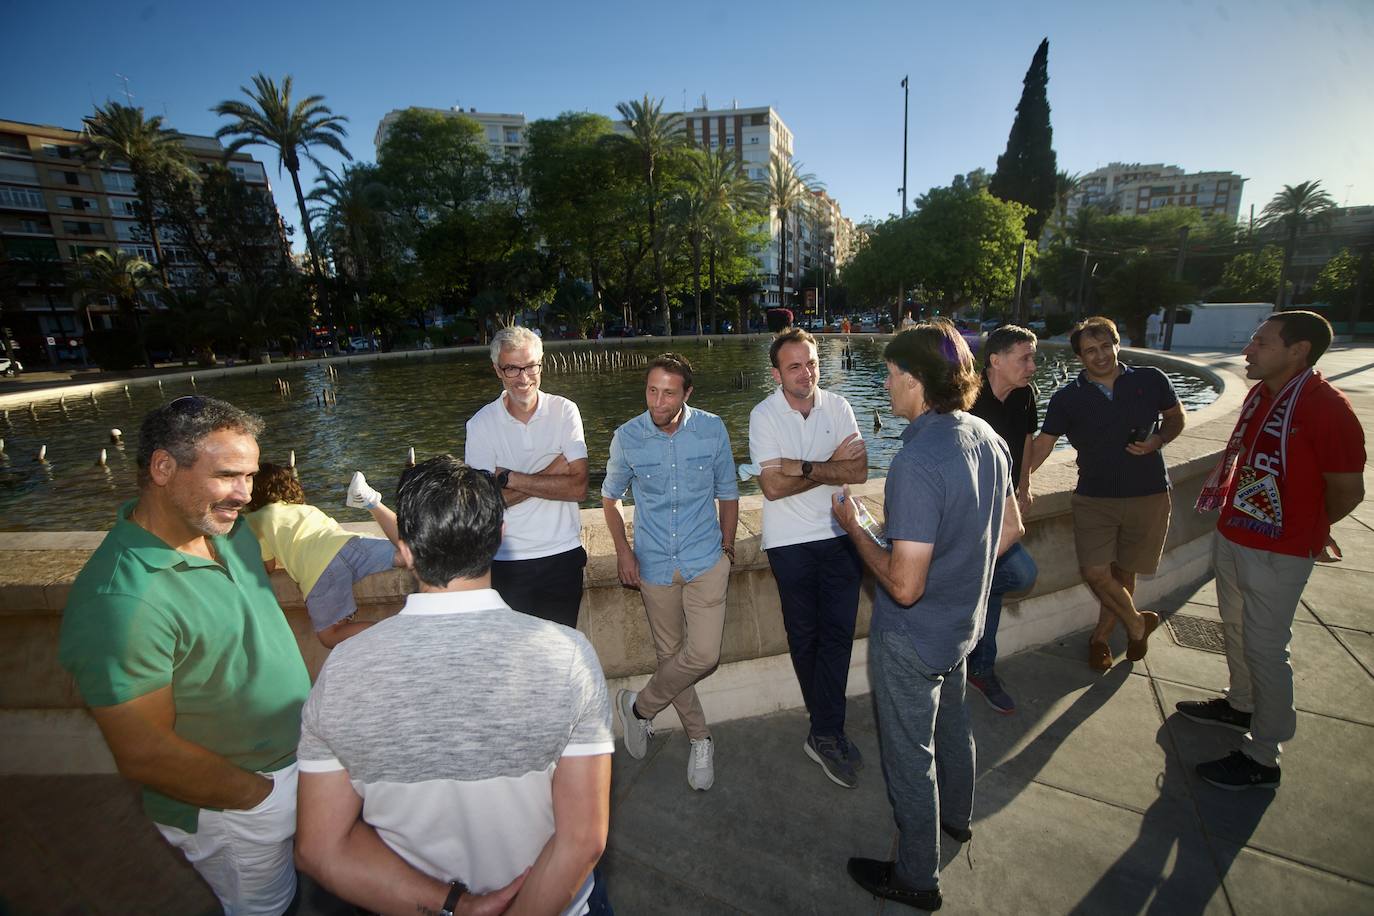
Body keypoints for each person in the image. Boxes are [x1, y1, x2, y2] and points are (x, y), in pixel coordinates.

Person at [294, 456, 613, 915]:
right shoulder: (567, 656)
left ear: (403, 548)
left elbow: (320, 848)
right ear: (499, 537)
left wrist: (451, 905)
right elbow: (582, 841)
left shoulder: (344, 668)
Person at [58, 396, 311, 916]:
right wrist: (257, 798)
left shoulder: (227, 535)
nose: (246, 494)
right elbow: (145, 752)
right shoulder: (121, 599)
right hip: (234, 807)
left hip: (288, 773)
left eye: (250, 475)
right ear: (163, 467)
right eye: (228, 476)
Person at [834, 320, 1023, 912]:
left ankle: (918, 877)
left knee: (911, 759)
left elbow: (904, 585)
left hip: (912, 638)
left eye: (891, 374)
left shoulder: (916, 461)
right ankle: (959, 821)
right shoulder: (987, 435)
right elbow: (1011, 528)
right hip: (962, 627)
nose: (885, 383)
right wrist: (955, 563)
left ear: (916, 381)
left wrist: (857, 531)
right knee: (954, 726)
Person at [1181, 311, 1365, 790]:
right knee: (1236, 627)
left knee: (1266, 645)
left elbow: (1347, 490)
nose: (1248, 350)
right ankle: (1239, 704)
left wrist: (1307, 530)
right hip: (1237, 532)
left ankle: (1263, 754)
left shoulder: (1327, 409)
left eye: (1261, 343)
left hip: (1279, 549)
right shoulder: (1263, 395)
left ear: (1297, 350)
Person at [602, 352, 739, 791]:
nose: (657, 401)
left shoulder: (712, 428)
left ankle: (639, 707)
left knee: (703, 656)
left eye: (668, 393)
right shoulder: (627, 436)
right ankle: (700, 738)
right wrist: (623, 551)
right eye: (651, 390)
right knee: (670, 657)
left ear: (687, 394)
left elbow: (729, 493)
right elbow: (610, 499)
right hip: (654, 562)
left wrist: (728, 552)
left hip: (704, 560)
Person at [1027, 316, 1184, 670]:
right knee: (1096, 572)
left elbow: (1176, 417)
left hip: (1149, 494)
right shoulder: (1067, 399)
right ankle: (1137, 623)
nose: (1099, 356)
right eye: (1089, 351)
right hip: (1095, 498)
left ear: (1117, 343)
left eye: (1104, 346)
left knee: (1125, 573)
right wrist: (1016, 485)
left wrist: (1159, 439)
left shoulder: (1151, 379)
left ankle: (1100, 638)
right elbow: (1043, 446)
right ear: (1079, 358)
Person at [749, 327, 869, 787]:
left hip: (839, 534)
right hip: (789, 543)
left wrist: (799, 465)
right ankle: (827, 732)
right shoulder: (764, 415)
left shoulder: (838, 406)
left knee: (838, 637)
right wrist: (825, 465)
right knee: (805, 637)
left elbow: (857, 469)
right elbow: (772, 488)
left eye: (812, 363)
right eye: (795, 366)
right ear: (777, 372)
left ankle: (825, 731)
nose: (806, 373)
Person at [464, 325, 590, 628]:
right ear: (497, 370)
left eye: (530, 366)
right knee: (515, 662)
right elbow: (484, 505)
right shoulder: (480, 424)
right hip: (507, 561)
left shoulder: (565, 410)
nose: (523, 378)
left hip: (563, 555)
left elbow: (579, 488)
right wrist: (553, 472)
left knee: (559, 654)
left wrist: (508, 478)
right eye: (512, 369)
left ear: (541, 364)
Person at [966, 325, 1042, 714]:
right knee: (1016, 575)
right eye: (1024, 357)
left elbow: (1027, 438)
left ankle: (978, 664)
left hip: (1005, 508)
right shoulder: (968, 398)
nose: (1032, 365)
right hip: (971, 512)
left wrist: (1024, 484)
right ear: (995, 360)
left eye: (1033, 356)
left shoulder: (1025, 395)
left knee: (1006, 578)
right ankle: (976, 662)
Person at [244, 465, 402, 648]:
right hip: (347, 545)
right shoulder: (306, 509)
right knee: (409, 555)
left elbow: (268, 566)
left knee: (330, 635)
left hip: (320, 570)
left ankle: (394, 634)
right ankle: (371, 502)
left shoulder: (254, 520)